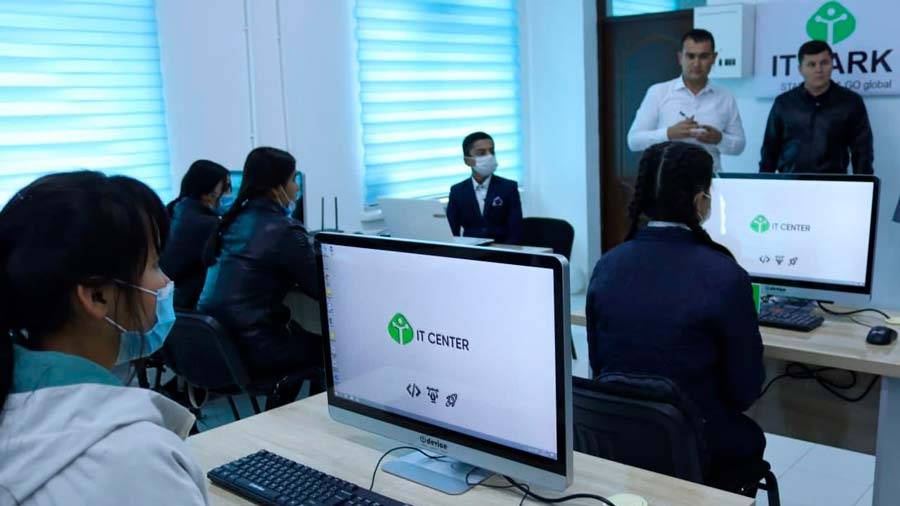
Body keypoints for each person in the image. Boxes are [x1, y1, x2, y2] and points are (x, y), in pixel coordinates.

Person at [0, 172, 207, 505]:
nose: (165, 282)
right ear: (97, 296)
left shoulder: (17, 407)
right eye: (154, 265)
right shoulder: (134, 459)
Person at [586, 141, 765, 495]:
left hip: (618, 437)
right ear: (700, 201)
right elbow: (745, 391)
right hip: (698, 445)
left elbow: (599, 365)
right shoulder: (725, 275)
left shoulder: (608, 265)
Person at [199, 147, 323, 408]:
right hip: (256, 345)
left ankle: (282, 414)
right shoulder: (284, 231)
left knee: (302, 340)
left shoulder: (231, 221)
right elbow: (320, 287)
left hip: (219, 342)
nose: (296, 188)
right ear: (277, 187)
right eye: (293, 180)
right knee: (330, 352)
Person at [627, 29, 745, 171]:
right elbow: (633, 141)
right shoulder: (658, 92)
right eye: (690, 56)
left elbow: (739, 145)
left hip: (710, 180)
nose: (696, 63)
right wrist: (669, 133)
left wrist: (719, 139)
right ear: (680, 58)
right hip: (666, 178)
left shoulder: (725, 97)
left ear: (713, 58)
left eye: (703, 56)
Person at [759, 40, 873, 174]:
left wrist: (864, 184)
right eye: (811, 64)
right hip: (790, 182)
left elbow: (862, 152)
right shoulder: (783, 103)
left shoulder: (851, 102)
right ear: (800, 69)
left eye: (824, 63)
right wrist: (763, 182)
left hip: (834, 183)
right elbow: (769, 150)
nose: (819, 69)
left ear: (832, 65)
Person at [161, 160, 231, 309]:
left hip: (170, 300)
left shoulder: (177, 209)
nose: (229, 193)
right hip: (188, 304)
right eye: (225, 188)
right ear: (208, 192)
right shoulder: (207, 224)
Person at [446, 131, 523, 244]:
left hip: (503, 250)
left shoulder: (508, 188)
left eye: (492, 151)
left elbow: (515, 232)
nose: (489, 156)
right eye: (482, 153)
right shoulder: (457, 191)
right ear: (468, 161)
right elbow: (451, 233)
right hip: (470, 251)